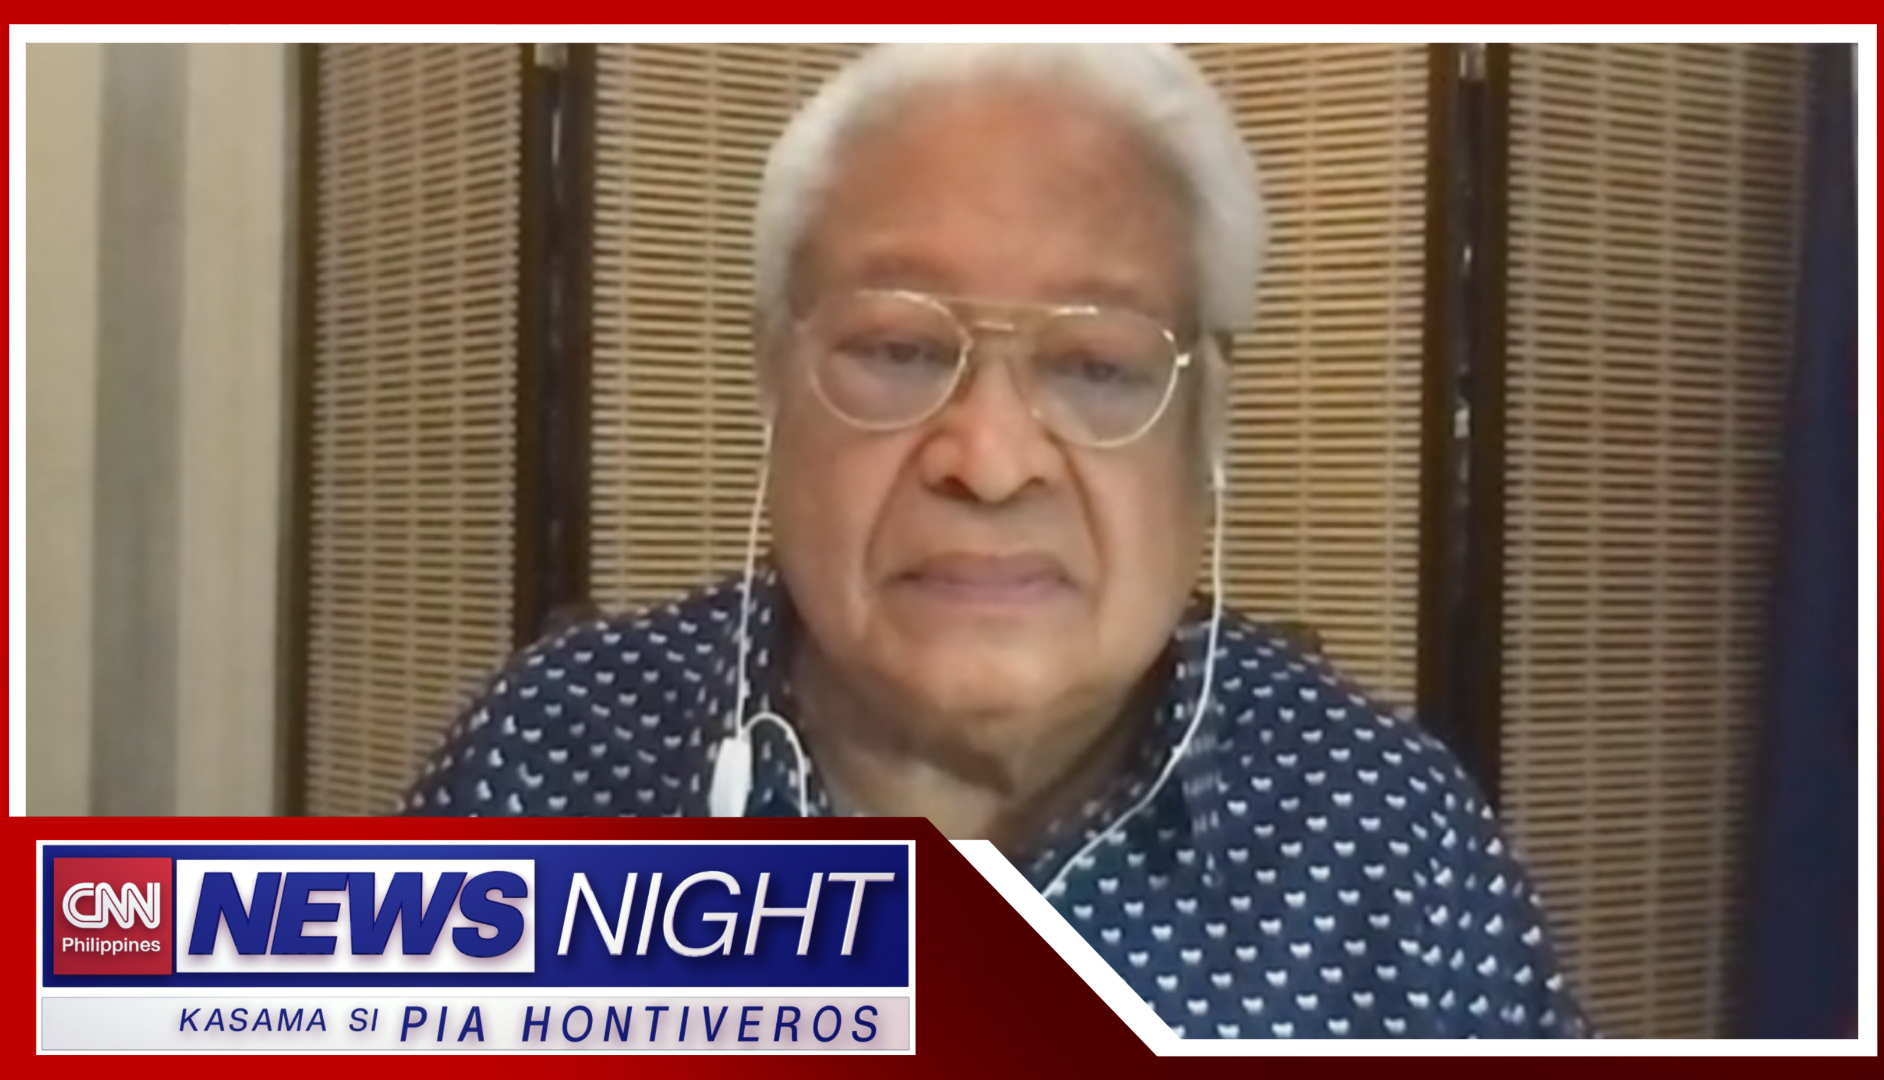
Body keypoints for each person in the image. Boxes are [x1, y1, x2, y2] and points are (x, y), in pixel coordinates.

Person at [402, 43, 1591, 1039]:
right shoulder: (545, 766)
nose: (990, 458)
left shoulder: (1393, 845)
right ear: (774, 382)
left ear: (1208, 427)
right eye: (899, 349)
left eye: (1098, 366)